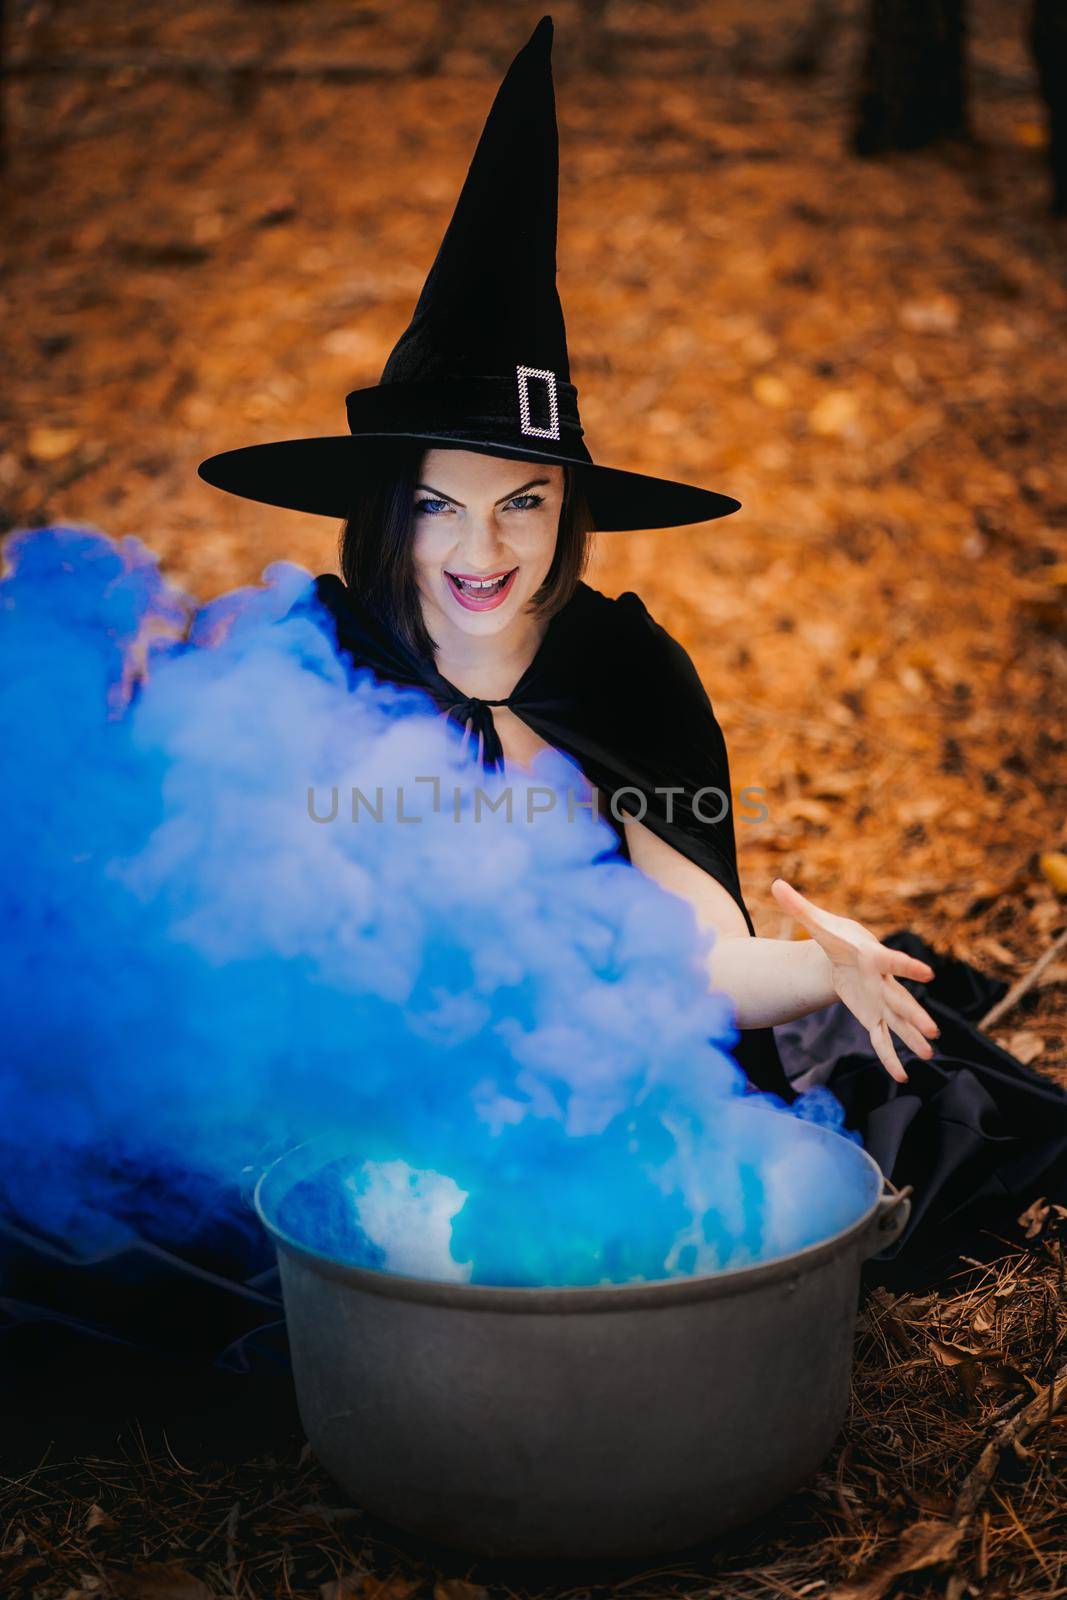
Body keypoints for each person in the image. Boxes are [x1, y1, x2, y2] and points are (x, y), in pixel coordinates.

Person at [197, 15, 1067, 1294]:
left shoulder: (617, 675)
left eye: (525, 501)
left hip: (600, 1074)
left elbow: (691, 958)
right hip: (358, 1086)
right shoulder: (315, 659)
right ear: (388, 508)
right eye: (441, 502)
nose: (482, 548)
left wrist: (813, 968)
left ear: (569, 508)